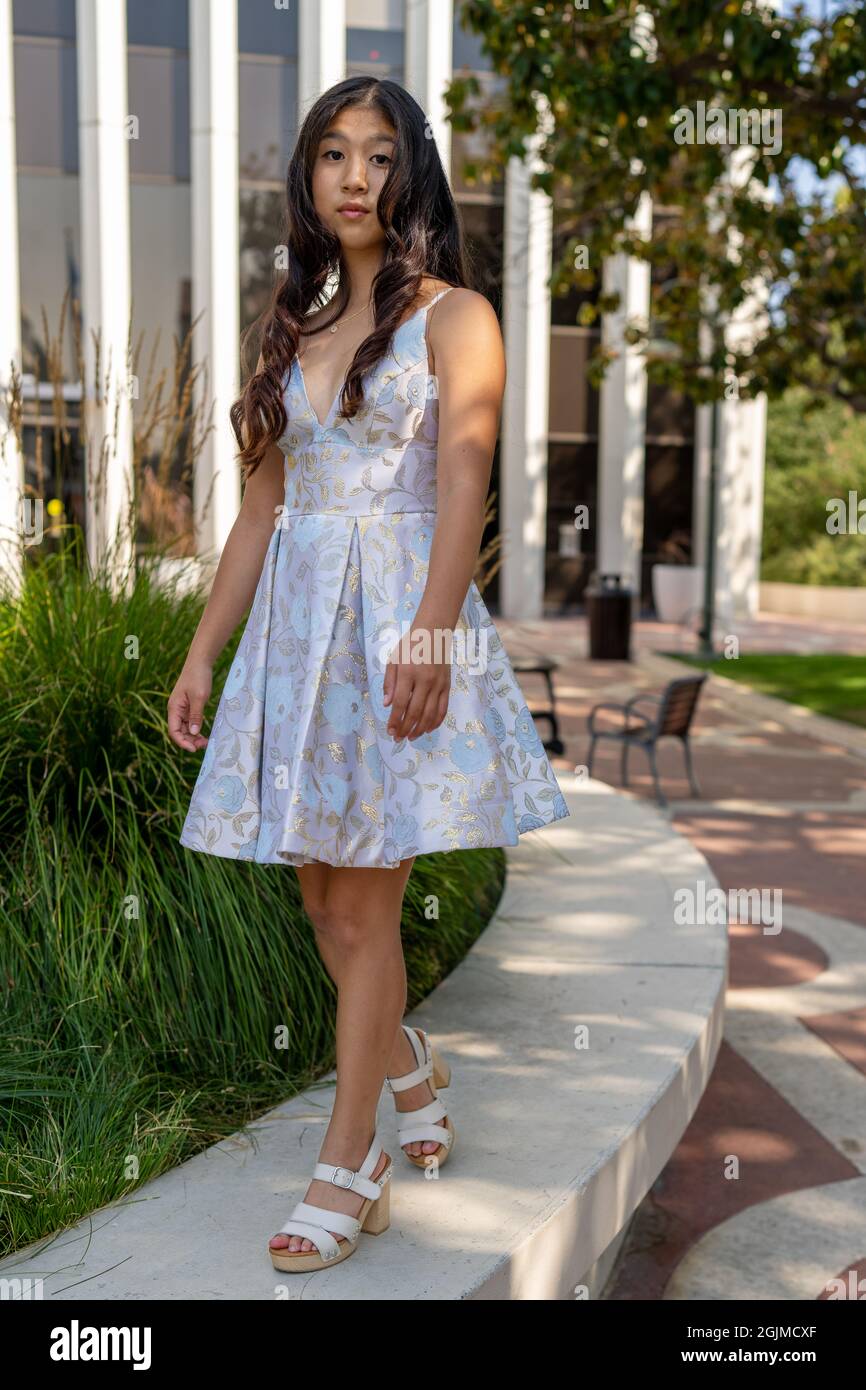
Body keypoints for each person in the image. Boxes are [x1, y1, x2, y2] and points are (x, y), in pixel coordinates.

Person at [167, 76, 570, 1275]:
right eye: (332, 154)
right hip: (299, 634)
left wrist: (435, 633)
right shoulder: (289, 322)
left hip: (397, 616)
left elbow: (461, 479)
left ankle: (351, 1160)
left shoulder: (456, 316)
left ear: (412, 176)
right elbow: (259, 511)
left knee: (366, 904)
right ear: (308, 178)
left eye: (380, 156)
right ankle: (406, 1064)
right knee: (318, 900)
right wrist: (202, 651)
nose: (355, 176)